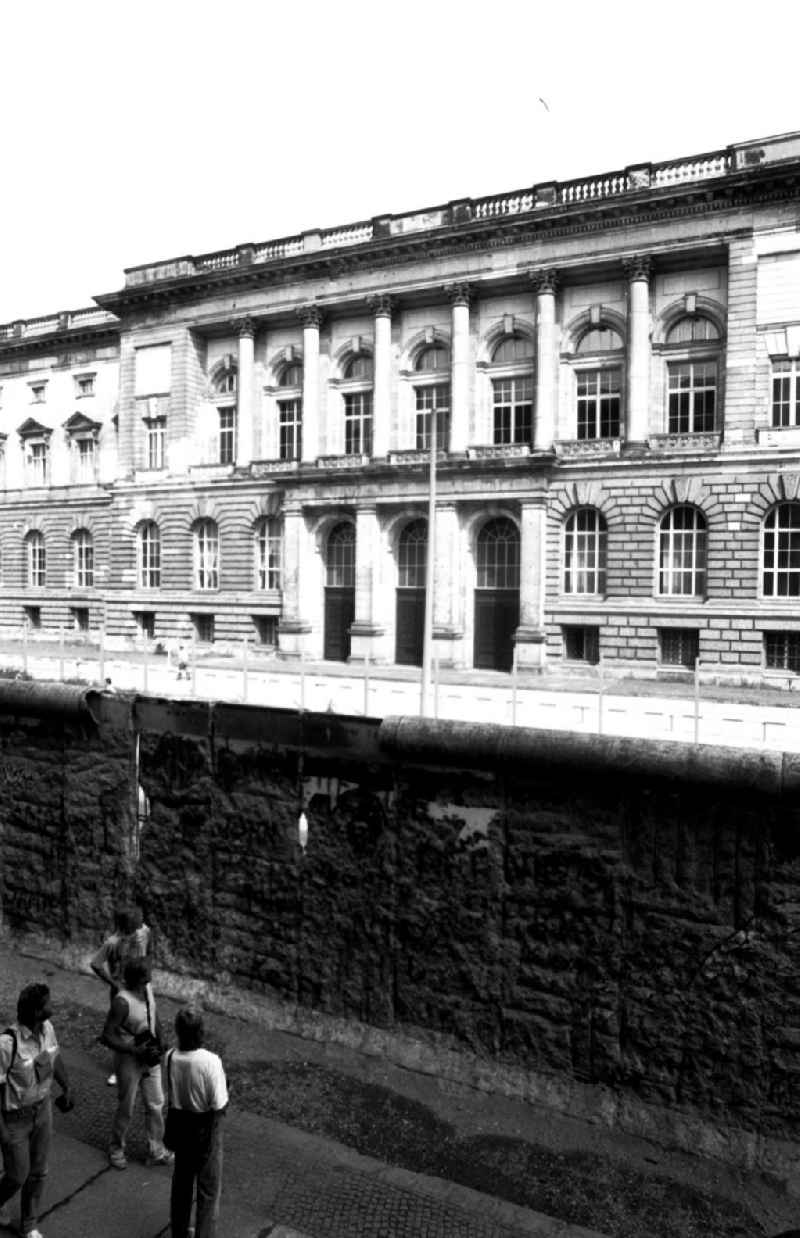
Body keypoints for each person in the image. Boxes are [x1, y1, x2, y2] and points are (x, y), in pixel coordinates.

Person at [0, 983, 73, 1238]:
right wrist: (3, 1131)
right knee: (17, 1175)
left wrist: (67, 1087)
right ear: (34, 1012)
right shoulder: (7, 1045)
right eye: (47, 1004)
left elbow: (53, 1058)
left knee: (39, 1171)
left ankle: (29, 1224)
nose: (52, 1007)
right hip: (15, 1120)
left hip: (42, 1111)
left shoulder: (48, 1029)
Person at [101, 958, 172, 1170]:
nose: (150, 978)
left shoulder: (147, 989)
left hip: (149, 1054)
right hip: (129, 1059)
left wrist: (161, 1037)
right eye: (146, 976)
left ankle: (156, 1150)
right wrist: (132, 1050)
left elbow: (153, 1013)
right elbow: (107, 1035)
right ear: (136, 979)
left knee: (156, 1103)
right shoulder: (122, 1002)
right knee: (127, 1107)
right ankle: (116, 1148)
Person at [165, 1009, 228, 1238]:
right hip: (205, 1129)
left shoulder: (170, 1057)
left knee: (181, 1185)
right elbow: (219, 1105)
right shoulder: (210, 1062)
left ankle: (179, 1232)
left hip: (181, 1129)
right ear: (200, 1032)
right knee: (208, 1190)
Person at [91, 905, 152, 1086]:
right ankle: (119, 1069)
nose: (139, 928)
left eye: (140, 923)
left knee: (144, 1025)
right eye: (135, 925)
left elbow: (150, 950)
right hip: (123, 992)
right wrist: (114, 984)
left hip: (140, 987)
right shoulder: (113, 943)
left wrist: (147, 970)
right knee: (122, 1031)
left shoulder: (144, 932)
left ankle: (143, 1063)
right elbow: (95, 964)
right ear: (125, 926)